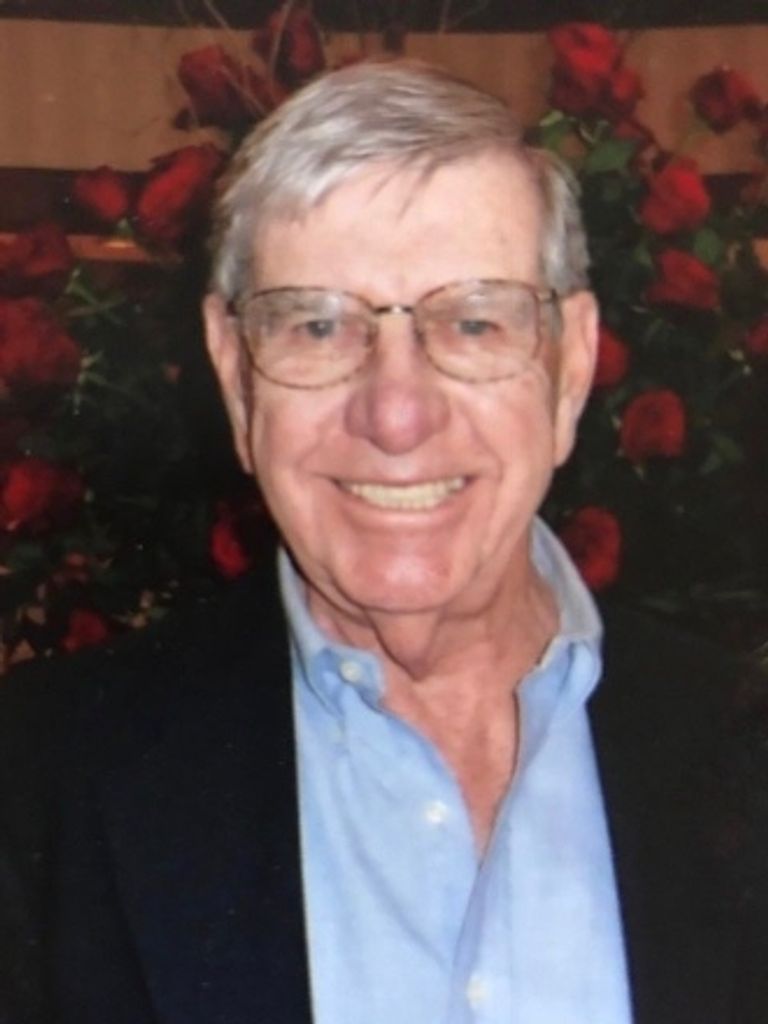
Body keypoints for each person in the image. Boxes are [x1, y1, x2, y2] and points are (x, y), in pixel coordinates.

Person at [1, 59, 766, 1024]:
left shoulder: (742, 748)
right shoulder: (36, 782)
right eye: (318, 327)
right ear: (236, 377)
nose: (396, 416)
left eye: (474, 321)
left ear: (569, 368)